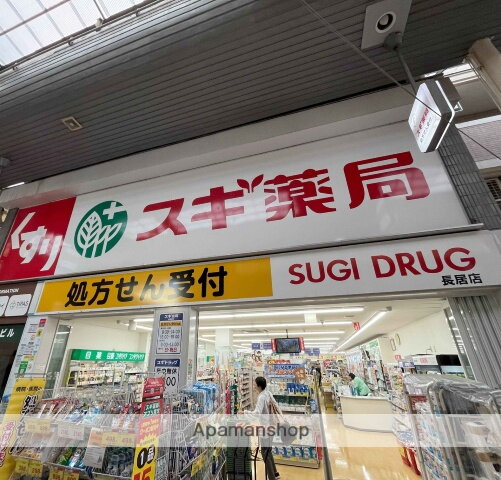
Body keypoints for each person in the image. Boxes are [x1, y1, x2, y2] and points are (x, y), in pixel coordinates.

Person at [243, 376, 281, 480]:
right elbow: (276, 406)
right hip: (272, 425)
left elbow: (256, 414)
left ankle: (272, 477)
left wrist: (245, 412)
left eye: (255, 384)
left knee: (265, 453)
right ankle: (275, 474)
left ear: (259, 386)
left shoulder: (261, 397)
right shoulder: (268, 393)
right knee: (268, 451)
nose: (254, 386)